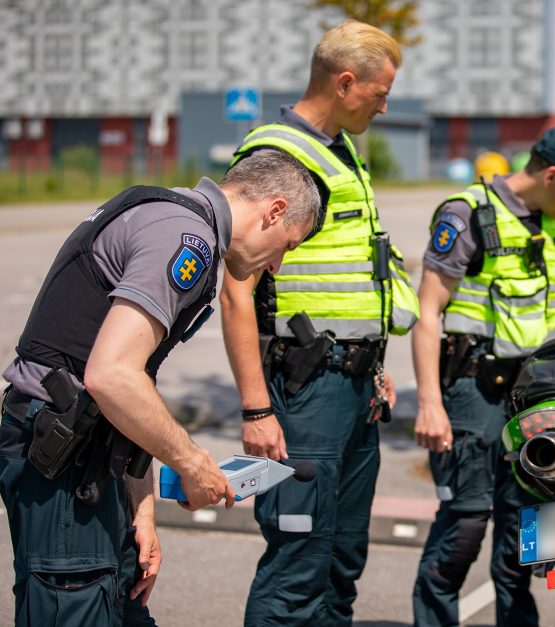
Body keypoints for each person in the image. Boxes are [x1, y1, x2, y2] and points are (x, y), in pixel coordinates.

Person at [0, 149, 321, 627]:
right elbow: (112, 376)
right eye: (289, 245)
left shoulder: (172, 214)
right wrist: (192, 464)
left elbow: (133, 386)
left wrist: (140, 512)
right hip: (62, 468)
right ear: (273, 211)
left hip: (86, 459)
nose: (276, 267)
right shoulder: (186, 238)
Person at [219, 19, 419, 626]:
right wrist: (256, 410)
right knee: (298, 561)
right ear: (345, 82)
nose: (385, 107)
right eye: (379, 93)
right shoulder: (280, 155)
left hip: (353, 390)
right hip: (308, 392)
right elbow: (235, 286)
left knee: (340, 559)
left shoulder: (341, 150)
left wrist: (374, 368)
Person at [411, 126, 555, 626]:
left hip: (531, 397)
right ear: (551, 173)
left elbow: (542, 300)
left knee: (529, 533)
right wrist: (430, 403)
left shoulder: (552, 222)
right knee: (464, 527)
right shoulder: (468, 214)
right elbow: (427, 311)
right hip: (473, 390)